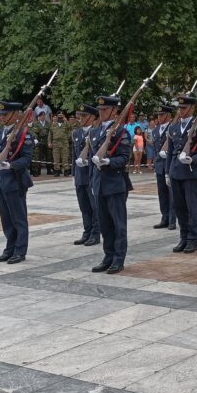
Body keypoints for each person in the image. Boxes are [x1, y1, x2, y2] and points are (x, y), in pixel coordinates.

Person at [89, 94, 132, 273]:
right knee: (105, 225)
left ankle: (118, 259)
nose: (102, 113)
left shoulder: (122, 132)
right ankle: (108, 256)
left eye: (105, 110)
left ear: (114, 111)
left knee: (118, 224)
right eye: (100, 110)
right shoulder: (95, 131)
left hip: (115, 184)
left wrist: (109, 162)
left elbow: (124, 158)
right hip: (99, 184)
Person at [165, 93, 197, 254]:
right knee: (179, 208)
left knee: (192, 208)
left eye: (184, 108)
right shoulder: (174, 127)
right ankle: (183, 237)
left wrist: (193, 159)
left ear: (192, 108)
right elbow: (170, 152)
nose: (181, 111)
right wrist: (167, 172)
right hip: (176, 172)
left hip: (191, 173)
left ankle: (192, 239)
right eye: (179, 108)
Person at [0, 102, 34, 264]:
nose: (1, 117)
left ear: (16, 114)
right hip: (1, 181)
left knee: (18, 218)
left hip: (15, 181)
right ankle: (9, 248)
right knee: (6, 219)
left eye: (4, 114)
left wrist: (11, 165)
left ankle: (20, 250)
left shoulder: (24, 134)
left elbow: (26, 159)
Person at [71, 105, 101, 247]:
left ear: (92, 117)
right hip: (80, 175)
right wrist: (73, 174)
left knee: (94, 206)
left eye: (84, 116)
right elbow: (74, 156)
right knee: (84, 207)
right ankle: (87, 232)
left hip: (91, 174)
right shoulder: (76, 133)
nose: (80, 119)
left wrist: (88, 161)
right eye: (79, 116)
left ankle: (95, 234)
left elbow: (98, 155)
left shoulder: (96, 132)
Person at [151, 105, 177, 230]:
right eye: (158, 115)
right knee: (162, 193)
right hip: (159, 166)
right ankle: (164, 217)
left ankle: (172, 219)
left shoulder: (172, 128)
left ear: (169, 116)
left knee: (172, 194)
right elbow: (156, 150)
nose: (159, 117)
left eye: (162, 115)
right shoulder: (155, 131)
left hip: (169, 165)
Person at [49, 112, 71, 177]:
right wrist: (49, 142)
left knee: (65, 158)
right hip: (56, 144)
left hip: (64, 143)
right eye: (59, 116)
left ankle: (66, 171)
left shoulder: (66, 124)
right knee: (56, 158)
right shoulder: (53, 125)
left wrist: (66, 121)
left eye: (61, 116)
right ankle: (56, 171)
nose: (60, 118)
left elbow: (70, 128)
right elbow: (50, 134)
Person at [31, 110, 51, 176]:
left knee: (48, 156)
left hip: (46, 142)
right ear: (39, 117)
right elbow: (34, 133)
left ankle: (49, 170)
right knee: (38, 157)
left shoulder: (48, 123)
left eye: (43, 115)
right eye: (41, 116)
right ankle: (37, 171)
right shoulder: (36, 123)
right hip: (39, 142)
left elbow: (50, 133)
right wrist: (36, 139)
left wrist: (49, 141)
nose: (43, 117)